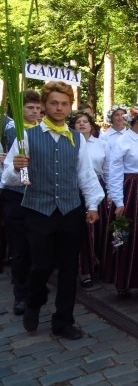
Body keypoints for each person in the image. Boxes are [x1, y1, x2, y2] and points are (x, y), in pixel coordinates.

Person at [2, 81, 104, 340]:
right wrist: (16, 166)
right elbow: (10, 179)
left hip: (70, 209)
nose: (59, 108)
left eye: (64, 104)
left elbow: (86, 175)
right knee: (41, 265)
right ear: (45, 106)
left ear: (70, 107)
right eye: (54, 103)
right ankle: (34, 301)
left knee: (69, 268)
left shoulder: (77, 138)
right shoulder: (26, 137)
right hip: (38, 209)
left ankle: (63, 321)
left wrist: (92, 204)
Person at [104, 102, 138, 298]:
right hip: (131, 191)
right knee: (125, 235)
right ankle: (123, 279)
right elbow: (115, 172)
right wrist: (119, 201)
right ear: (136, 119)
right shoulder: (123, 141)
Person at [1, 89, 42, 316]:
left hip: (36, 192)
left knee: (37, 246)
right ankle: (21, 295)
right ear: (20, 109)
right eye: (29, 108)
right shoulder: (9, 131)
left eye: (37, 108)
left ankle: (35, 286)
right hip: (16, 192)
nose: (34, 112)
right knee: (20, 248)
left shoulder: (42, 131)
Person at [70, 111, 110, 288]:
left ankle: (99, 264)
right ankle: (84, 269)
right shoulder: (70, 142)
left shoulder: (102, 143)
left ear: (91, 125)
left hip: (98, 185)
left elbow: (108, 169)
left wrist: (110, 193)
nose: (81, 124)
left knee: (100, 228)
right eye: (78, 122)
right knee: (81, 230)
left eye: (85, 121)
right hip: (76, 187)